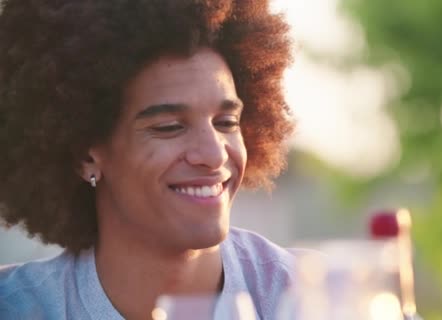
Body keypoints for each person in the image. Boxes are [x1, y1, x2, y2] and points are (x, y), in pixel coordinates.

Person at [0, 0, 295, 319]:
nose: (214, 154)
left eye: (227, 123)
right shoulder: (17, 308)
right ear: (85, 155)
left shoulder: (307, 297)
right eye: (169, 127)